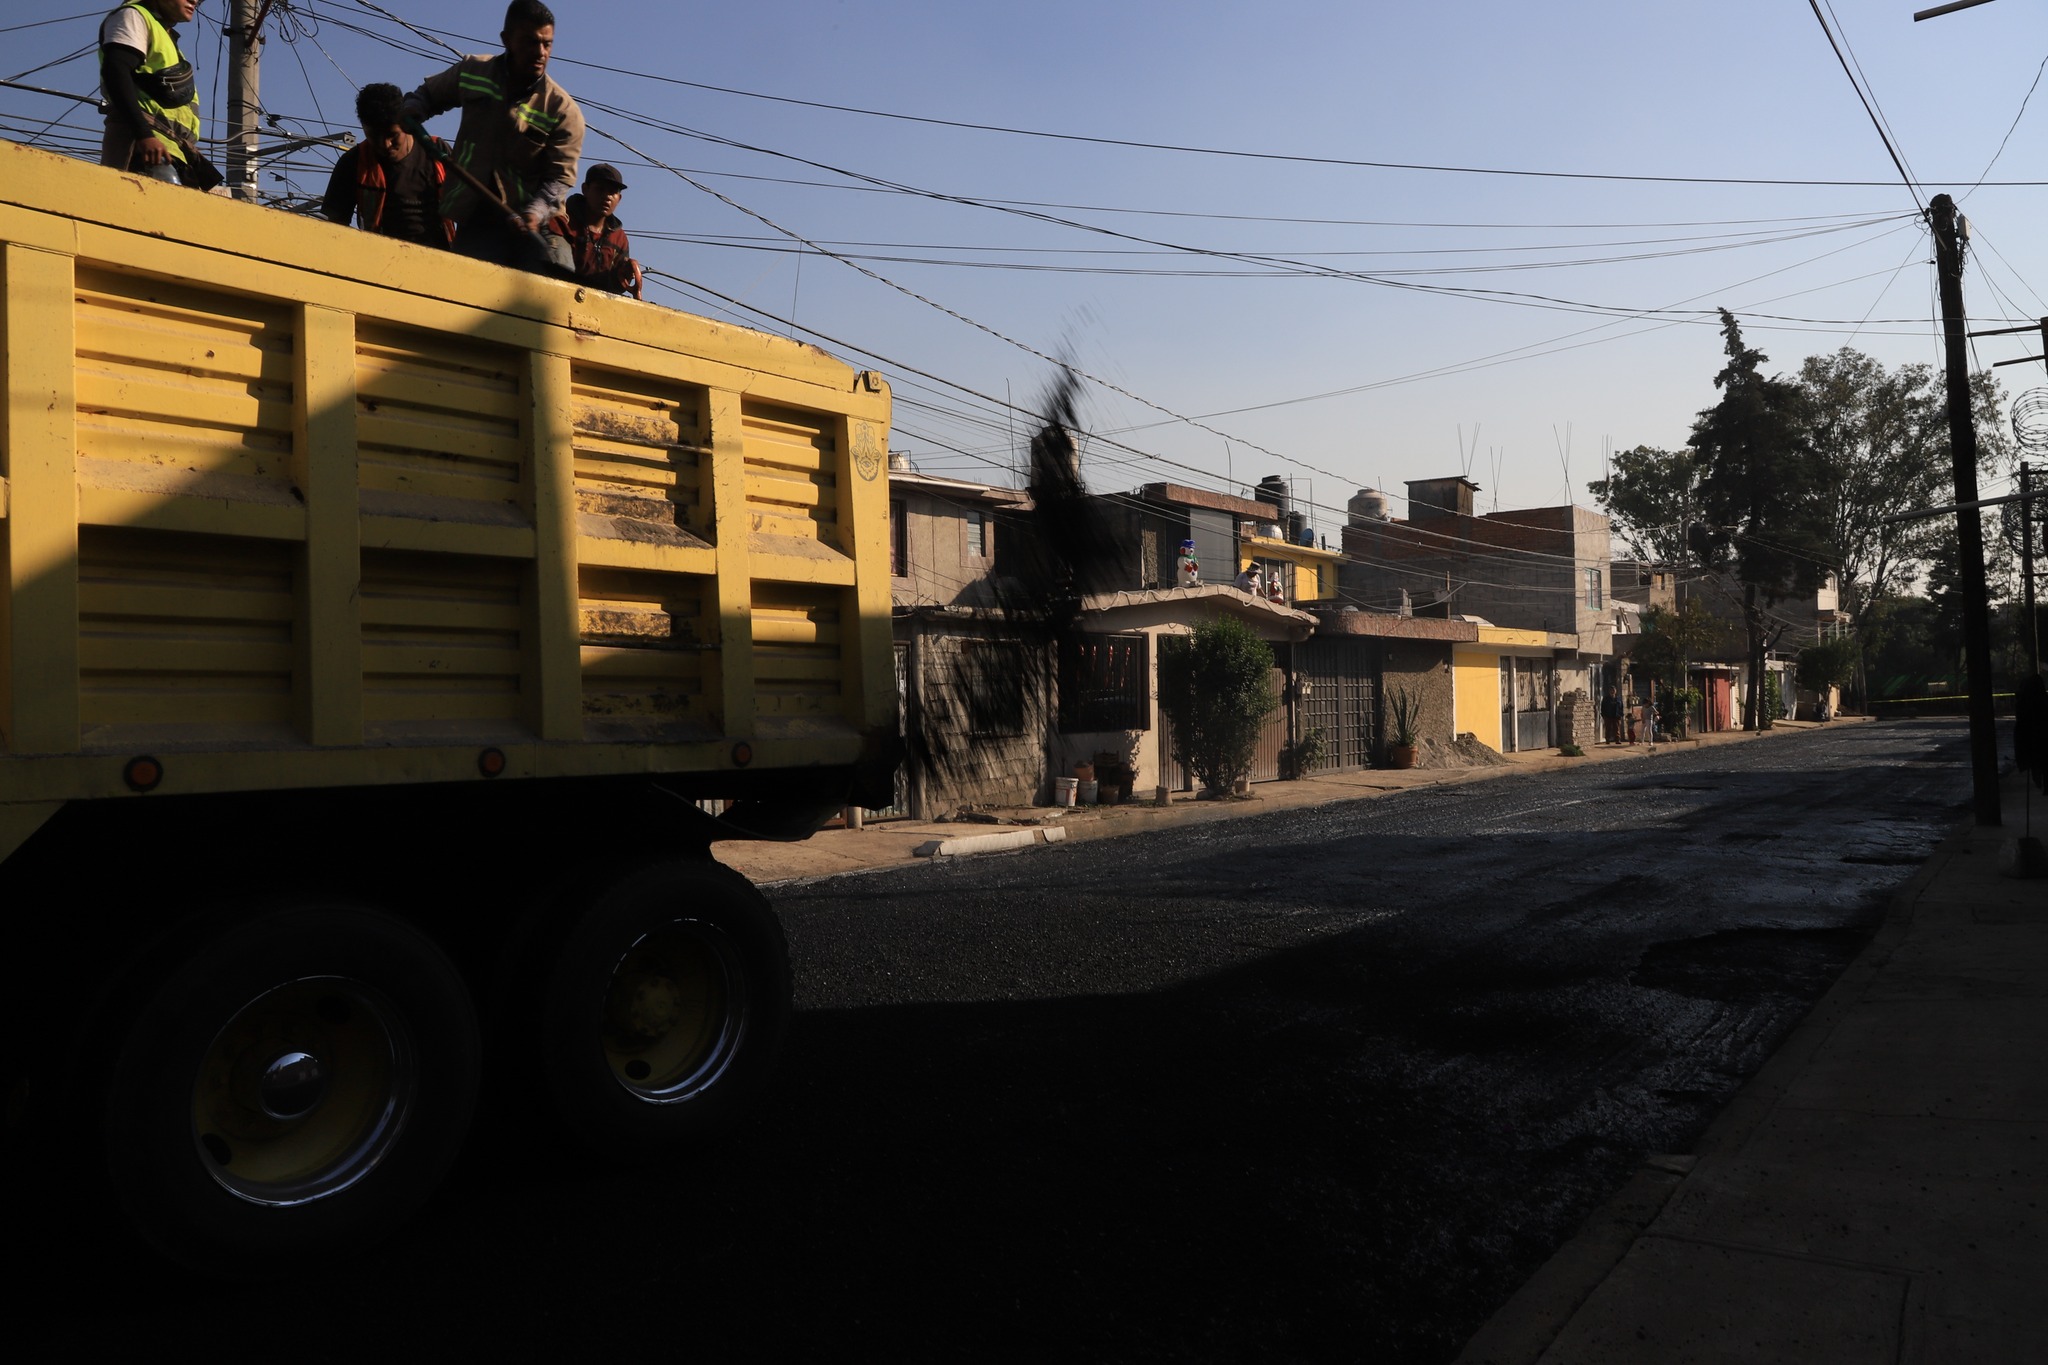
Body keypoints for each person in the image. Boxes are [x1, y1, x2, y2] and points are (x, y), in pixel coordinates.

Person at [403, 0, 585, 271]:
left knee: (555, 287)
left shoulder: (563, 111)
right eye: (530, 42)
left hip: (535, 227)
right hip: (477, 217)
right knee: (469, 289)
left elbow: (559, 178)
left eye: (547, 44)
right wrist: (414, 109)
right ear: (506, 39)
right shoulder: (473, 71)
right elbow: (427, 95)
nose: (540, 52)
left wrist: (534, 213)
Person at [321, 84, 455, 247]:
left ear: (407, 124)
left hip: (443, 260)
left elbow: (470, 211)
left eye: (392, 135)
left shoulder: (438, 152)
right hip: (381, 261)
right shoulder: (352, 163)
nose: (385, 144)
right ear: (364, 127)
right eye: (374, 136)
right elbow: (335, 228)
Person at [98, 0, 206, 185]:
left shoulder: (164, 34)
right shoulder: (134, 16)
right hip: (144, 150)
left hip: (171, 152)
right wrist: (144, 135)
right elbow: (116, 71)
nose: (195, 0)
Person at [543, 163, 642, 297]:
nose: (607, 197)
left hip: (596, 306)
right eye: (600, 189)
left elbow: (615, 287)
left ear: (619, 199)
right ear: (585, 189)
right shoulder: (562, 221)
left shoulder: (620, 238)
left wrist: (623, 275)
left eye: (612, 192)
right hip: (557, 296)